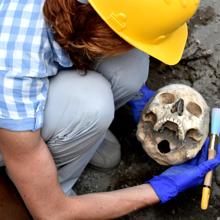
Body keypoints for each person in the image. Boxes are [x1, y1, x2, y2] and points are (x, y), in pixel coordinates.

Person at [0, 0, 219, 219]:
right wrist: (158, 189)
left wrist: (134, 92)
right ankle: (49, 184)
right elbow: (52, 212)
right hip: (9, 124)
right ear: (103, 32)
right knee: (93, 103)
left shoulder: (86, 9)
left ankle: (78, 135)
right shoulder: (13, 69)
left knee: (130, 65)